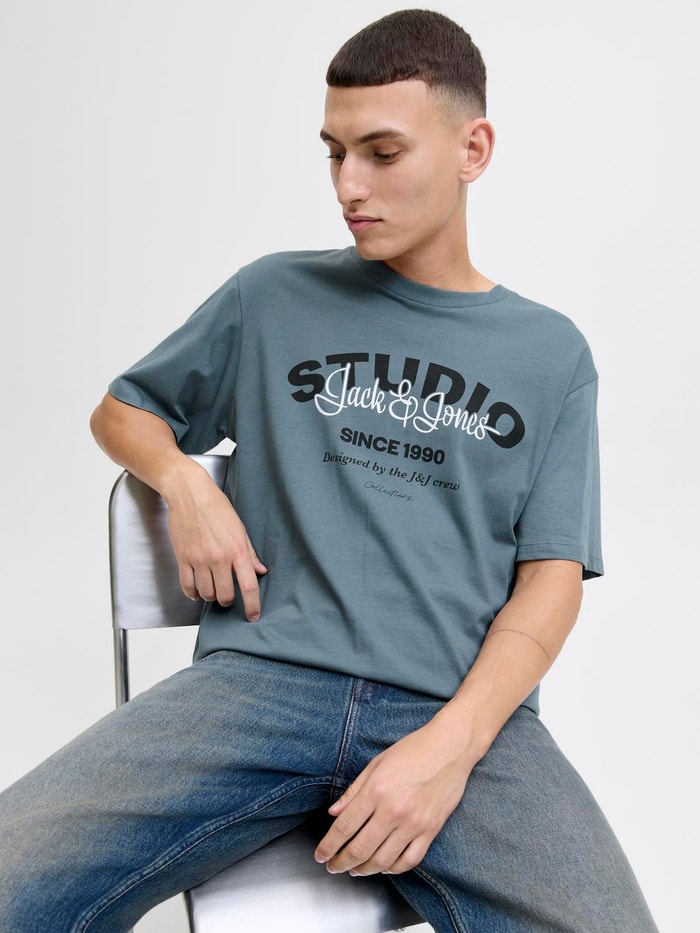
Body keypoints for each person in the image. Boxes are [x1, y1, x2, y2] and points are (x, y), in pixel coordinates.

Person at [0, 9, 658, 932]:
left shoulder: (550, 353)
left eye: (382, 153)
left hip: (460, 711)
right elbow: (123, 409)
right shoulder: (273, 295)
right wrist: (185, 484)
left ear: (472, 150)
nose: (350, 185)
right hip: (256, 685)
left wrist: (451, 746)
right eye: (334, 153)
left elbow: (550, 582)